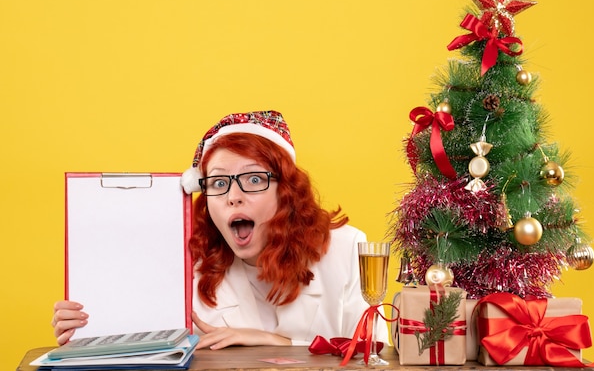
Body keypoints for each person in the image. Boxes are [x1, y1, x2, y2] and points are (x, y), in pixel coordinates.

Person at [52, 110, 389, 350]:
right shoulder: (188, 269)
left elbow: (374, 351)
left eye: (254, 179)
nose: (233, 196)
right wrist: (87, 332)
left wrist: (280, 343)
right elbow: (145, 349)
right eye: (218, 182)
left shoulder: (347, 251)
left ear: (286, 192)